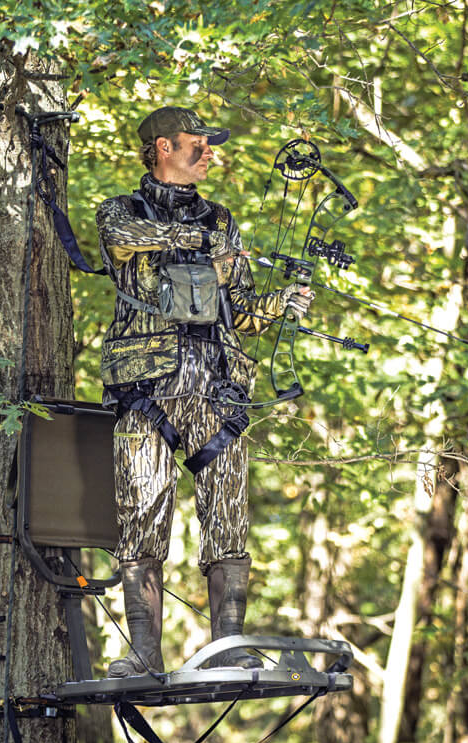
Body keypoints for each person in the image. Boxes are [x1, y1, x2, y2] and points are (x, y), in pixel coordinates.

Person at [95, 106, 312, 677]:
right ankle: (144, 654)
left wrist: (282, 304)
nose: (208, 152)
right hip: (146, 389)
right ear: (164, 147)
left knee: (228, 517)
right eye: (198, 143)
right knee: (141, 516)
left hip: (218, 393)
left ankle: (230, 648)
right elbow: (123, 238)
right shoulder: (122, 211)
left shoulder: (223, 220)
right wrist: (198, 242)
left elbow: (241, 313)